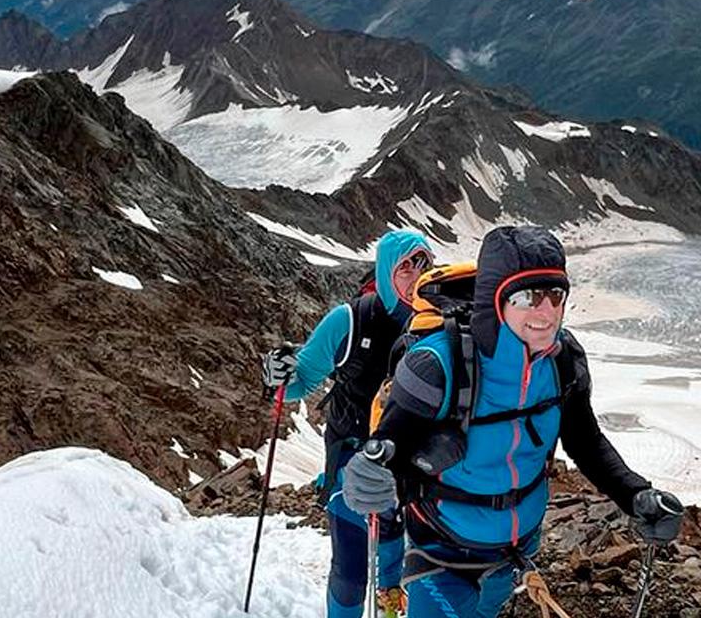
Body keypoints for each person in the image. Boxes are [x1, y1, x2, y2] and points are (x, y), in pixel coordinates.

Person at [342, 225, 685, 618]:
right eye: (527, 296)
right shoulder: (437, 365)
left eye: (556, 294)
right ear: (495, 300)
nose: (546, 311)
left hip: (516, 551)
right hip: (442, 552)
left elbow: (583, 439)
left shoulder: (562, 361)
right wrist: (368, 476)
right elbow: (388, 449)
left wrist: (635, 494)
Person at [262, 228, 434, 618]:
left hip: (408, 461)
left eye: (423, 263)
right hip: (350, 456)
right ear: (387, 270)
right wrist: (278, 375)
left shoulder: (438, 323)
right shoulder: (350, 321)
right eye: (405, 265)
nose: (415, 274)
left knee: (394, 550)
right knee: (351, 567)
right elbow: (301, 380)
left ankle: (390, 607)